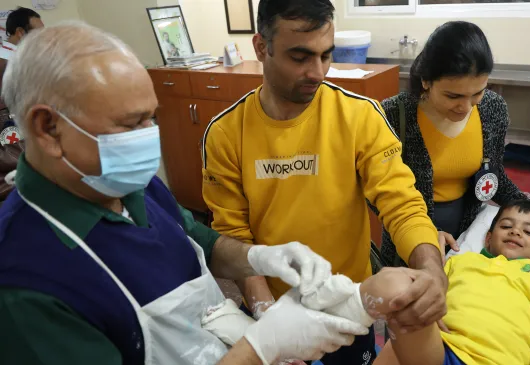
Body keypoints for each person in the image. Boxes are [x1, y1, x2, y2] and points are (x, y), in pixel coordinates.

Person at [0, 22, 371, 365]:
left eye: (152, 118)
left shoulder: (127, 185)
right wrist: (261, 348)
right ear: (48, 127)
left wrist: (260, 258)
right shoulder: (24, 285)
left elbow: (200, 242)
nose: (149, 136)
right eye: (131, 124)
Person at [203, 0, 445, 363]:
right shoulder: (226, 133)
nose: (317, 71)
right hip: (272, 307)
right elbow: (234, 236)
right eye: (300, 57)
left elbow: (401, 202)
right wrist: (270, 321)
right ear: (261, 46)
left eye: (326, 55)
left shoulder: (358, 116)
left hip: (348, 306)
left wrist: (431, 268)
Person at [380, 21, 530, 267]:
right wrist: (419, 234)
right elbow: (379, 191)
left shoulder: (491, 108)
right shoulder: (393, 114)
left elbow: (493, 178)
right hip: (407, 237)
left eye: (477, 93)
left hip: (468, 234)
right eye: (453, 96)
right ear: (426, 81)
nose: (465, 107)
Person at [371, 199, 530, 365]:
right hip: (439, 347)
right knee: (404, 314)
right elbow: (432, 292)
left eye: (528, 232)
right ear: (488, 239)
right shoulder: (461, 261)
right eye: (506, 226)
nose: (515, 232)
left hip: (495, 359)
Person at [0, 7, 43, 202]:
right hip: (16, 173)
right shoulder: (8, 63)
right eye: (38, 32)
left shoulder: (22, 61)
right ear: (20, 32)